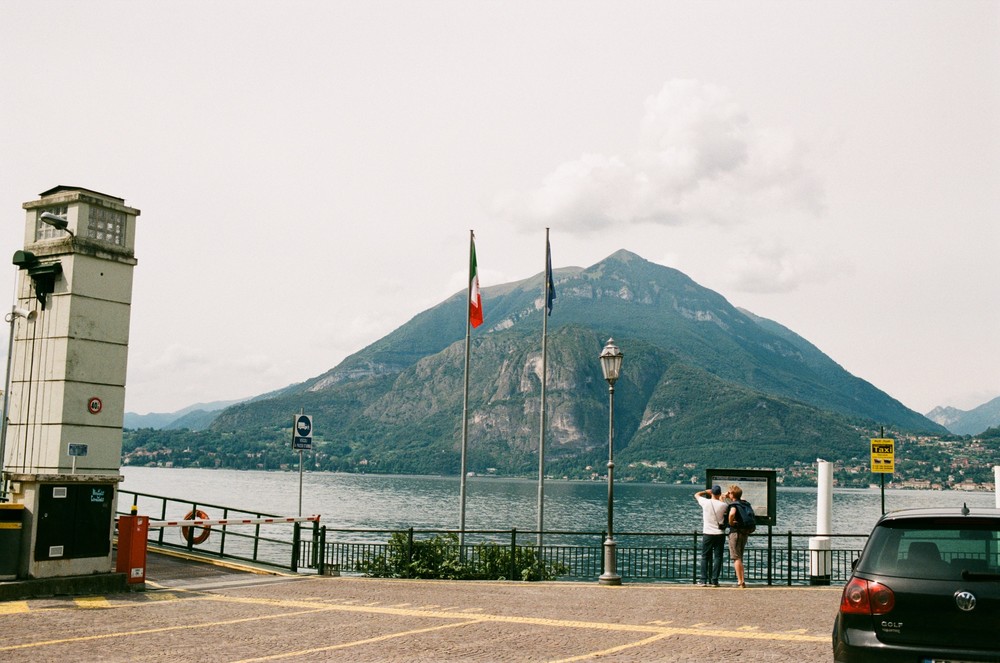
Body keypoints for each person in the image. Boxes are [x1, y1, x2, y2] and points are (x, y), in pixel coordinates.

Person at [694, 484, 728, 586]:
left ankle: (703, 580)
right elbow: (723, 507)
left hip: (708, 533)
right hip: (720, 534)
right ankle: (714, 580)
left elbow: (696, 494)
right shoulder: (724, 505)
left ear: (711, 492)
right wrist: (722, 497)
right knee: (718, 557)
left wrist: (705, 492)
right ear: (719, 493)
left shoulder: (705, 502)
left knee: (705, 557)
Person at [725, 484, 751, 588]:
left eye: (729, 492)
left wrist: (730, 522)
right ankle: (741, 580)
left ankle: (740, 581)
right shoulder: (744, 503)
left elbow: (732, 513)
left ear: (732, 494)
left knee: (736, 557)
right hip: (744, 532)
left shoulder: (734, 505)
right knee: (739, 556)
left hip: (735, 532)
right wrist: (729, 495)